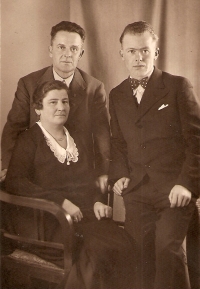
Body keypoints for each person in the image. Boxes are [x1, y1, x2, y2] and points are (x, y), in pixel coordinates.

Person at [4, 80, 136, 289]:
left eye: (65, 102)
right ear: (38, 108)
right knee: (96, 251)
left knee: (124, 242)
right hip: (46, 220)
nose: (61, 107)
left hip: (83, 215)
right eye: (53, 102)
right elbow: (15, 182)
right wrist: (61, 202)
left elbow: (88, 182)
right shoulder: (28, 140)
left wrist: (97, 202)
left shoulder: (77, 140)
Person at [108, 21, 200, 289]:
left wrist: (187, 183)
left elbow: (196, 140)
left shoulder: (177, 86)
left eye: (145, 51)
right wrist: (119, 174)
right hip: (137, 192)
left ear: (155, 52)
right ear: (122, 54)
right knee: (138, 254)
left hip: (174, 189)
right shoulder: (116, 95)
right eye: (132, 51)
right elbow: (118, 142)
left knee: (166, 250)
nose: (138, 57)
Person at [1, 21, 110, 194]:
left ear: (81, 53)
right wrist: (9, 166)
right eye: (61, 47)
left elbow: (101, 133)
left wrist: (104, 172)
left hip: (78, 176)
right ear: (50, 50)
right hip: (38, 174)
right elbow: (14, 128)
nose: (67, 54)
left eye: (74, 49)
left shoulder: (94, 88)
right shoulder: (28, 84)